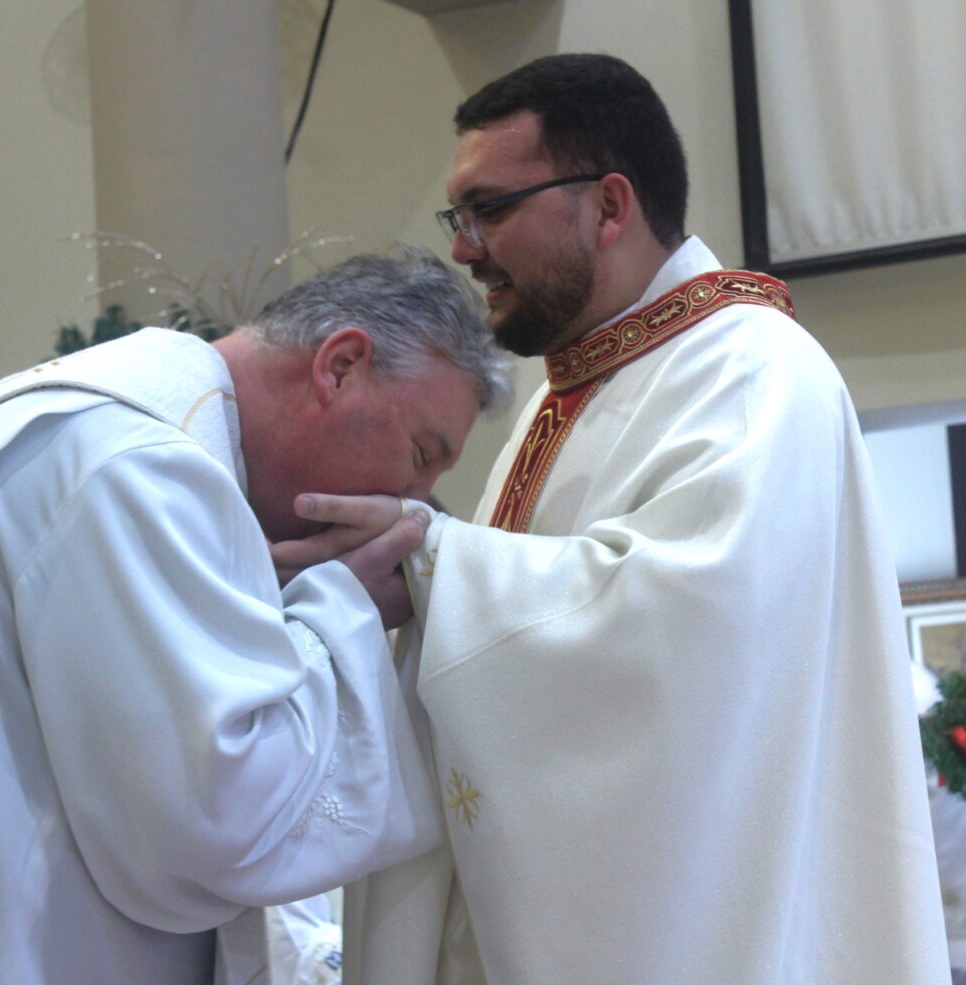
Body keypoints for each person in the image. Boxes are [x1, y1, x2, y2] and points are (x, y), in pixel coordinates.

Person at [273, 55, 951, 983]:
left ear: (609, 204)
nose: (465, 247)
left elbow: (684, 644)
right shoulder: (568, 401)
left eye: (491, 208)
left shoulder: (755, 375)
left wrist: (435, 562)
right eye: (458, 218)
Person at [0, 247, 513, 985]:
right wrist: (343, 608)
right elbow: (210, 825)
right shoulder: (136, 468)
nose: (411, 500)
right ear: (340, 365)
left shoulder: (102, 430)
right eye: (419, 454)